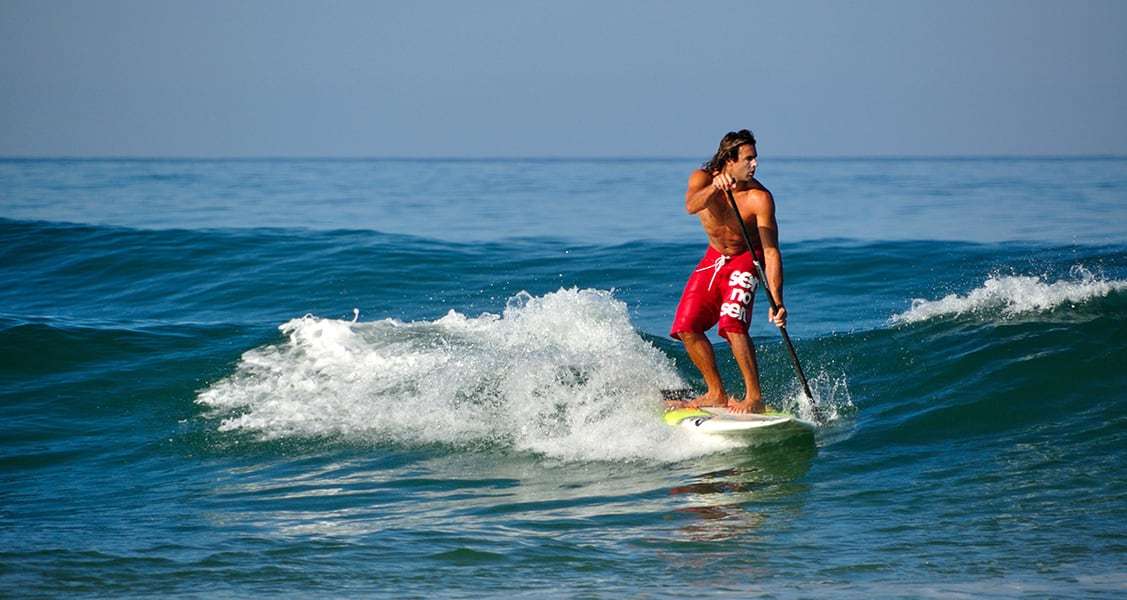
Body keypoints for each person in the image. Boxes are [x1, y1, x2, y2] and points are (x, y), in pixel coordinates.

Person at [669, 129, 787, 414]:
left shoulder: (760, 198)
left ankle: (754, 398)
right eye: (748, 159)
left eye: (755, 158)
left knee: (732, 323)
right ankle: (715, 393)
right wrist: (715, 188)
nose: (755, 165)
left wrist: (777, 299)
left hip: (747, 256)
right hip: (714, 258)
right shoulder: (702, 179)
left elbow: (770, 251)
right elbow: (690, 206)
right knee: (686, 326)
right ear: (729, 160)